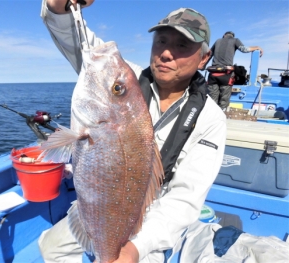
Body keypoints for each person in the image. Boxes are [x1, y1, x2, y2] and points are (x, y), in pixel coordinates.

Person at [38, 1, 227, 262]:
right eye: (161, 41)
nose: (166, 53)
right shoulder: (126, 78)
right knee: (51, 246)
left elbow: (185, 197)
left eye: (182, 45)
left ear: (204, 57)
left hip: (156, 217)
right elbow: (81, 43)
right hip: (99, 205)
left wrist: (136, 247)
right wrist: (59, 8)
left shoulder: (211, 118)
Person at [205, 31, 264, 110]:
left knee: (212, 101)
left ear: (224, 35)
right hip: (226, 74)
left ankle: (210, 118)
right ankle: (220, 117)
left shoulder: (218, 41)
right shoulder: (235, 40)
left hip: (213, 74)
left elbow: (209, 54)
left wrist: (203, 66)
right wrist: (257, 47)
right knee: (224, 101)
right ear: (232, 36)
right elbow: (244, 49)